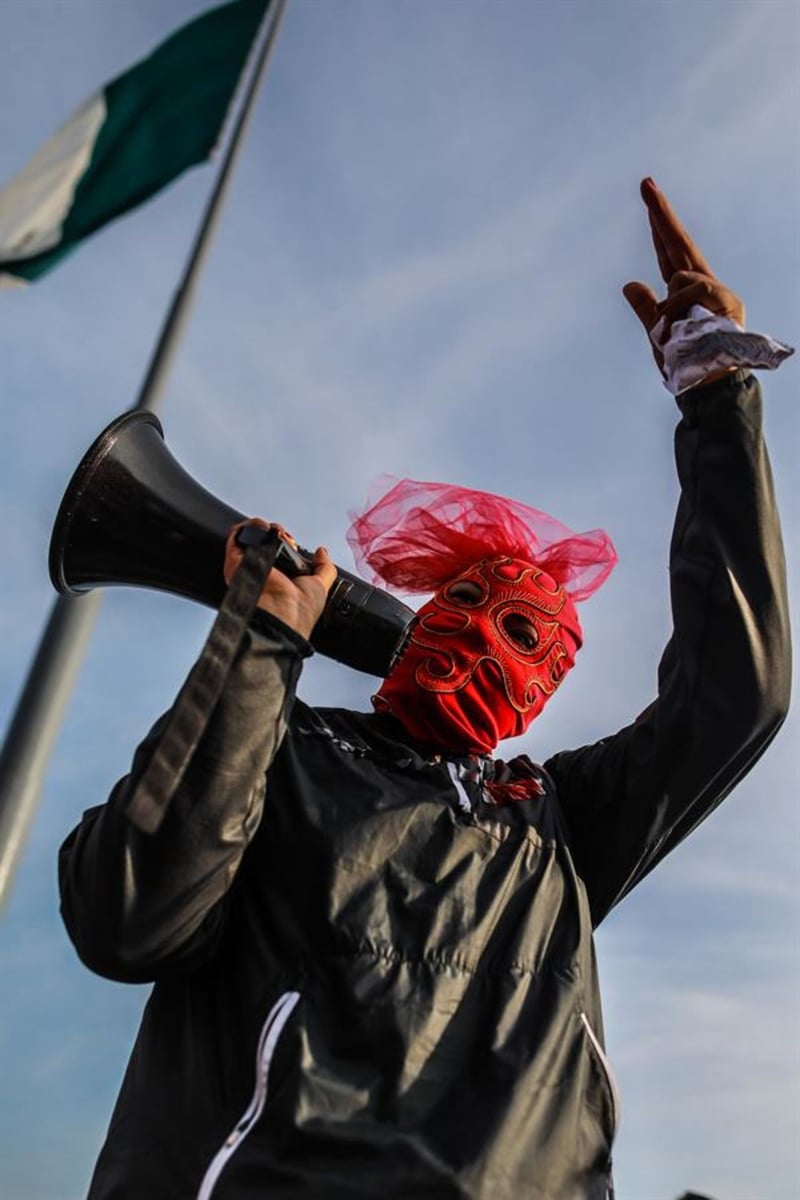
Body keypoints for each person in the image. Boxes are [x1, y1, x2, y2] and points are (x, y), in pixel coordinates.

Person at [59, 179, 791, 1200]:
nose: (491, 640)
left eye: (536, 641)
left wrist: (715, 395)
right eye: (468, 603)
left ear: (546, 694)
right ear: (428, 610)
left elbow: (735, 693)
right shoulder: (278, 748)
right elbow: (126, 915)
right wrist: (260, 643)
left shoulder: (558, 827)